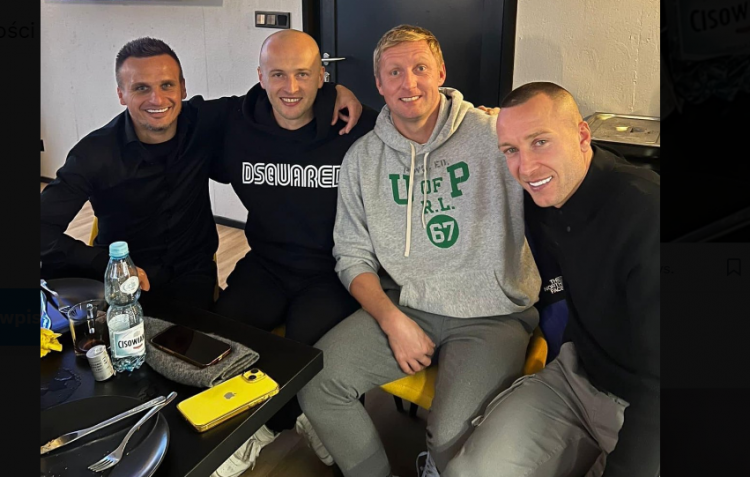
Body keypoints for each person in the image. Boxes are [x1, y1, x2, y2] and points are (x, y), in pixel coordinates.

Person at [298, 25, 541, 477]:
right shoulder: (363, 159)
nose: (409, 83)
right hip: (408, 304)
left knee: (450, 439)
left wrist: (518, 129)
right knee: (316, 382)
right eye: (395, 72)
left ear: (441, 73)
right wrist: (392, 321)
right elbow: (351, 255)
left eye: (420, 68)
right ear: (379, 84)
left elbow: (551, 165)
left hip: (492, 313)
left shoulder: (494, 135)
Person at [40, 37, 362, 310]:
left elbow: (283, 97)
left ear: (182, 87)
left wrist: (332, 91)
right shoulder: (95, 153)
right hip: (123, 283)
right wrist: (105, 263)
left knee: (211, 350)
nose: (157, 99)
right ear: (121, 94)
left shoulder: (207, 121)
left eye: (167, 85)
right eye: (141, 88)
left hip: (192, 277)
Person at [444, 82, 660, 477]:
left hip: (647, 403)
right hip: (578, 376)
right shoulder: (543, 197)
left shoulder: (645, 214)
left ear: (582, 135)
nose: (526, 168)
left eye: (540, 142)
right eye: (511, 150)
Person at [209, 30, 378, 476]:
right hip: (267, 262)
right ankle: (281, 419)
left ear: (323, 75)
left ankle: (273, 427)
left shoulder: (356, 123)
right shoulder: (234, 122)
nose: (291, 87)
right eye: (278, 74)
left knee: (307, 347)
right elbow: (167, 117)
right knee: (226, 333)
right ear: (260, 76)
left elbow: (418, 122)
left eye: (303, 74)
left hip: (334, 268)